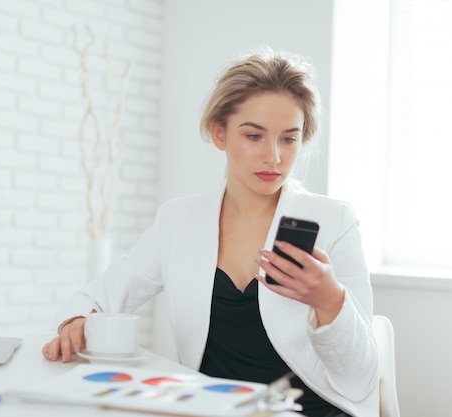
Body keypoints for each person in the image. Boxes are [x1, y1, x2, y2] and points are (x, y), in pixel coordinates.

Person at [42, 47, 379, 417]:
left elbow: (362, 375)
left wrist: (330, 300)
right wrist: (76, 320)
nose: (274, 157)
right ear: (220, 134)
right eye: (254, 136)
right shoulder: (178, 220)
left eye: (288, 138)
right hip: (214, 409)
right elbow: (101, 295)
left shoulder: (336, 221)